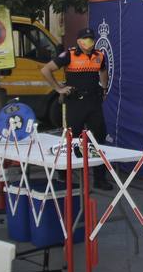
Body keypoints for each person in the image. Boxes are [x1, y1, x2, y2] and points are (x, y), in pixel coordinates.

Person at [41, 26, 109, 186]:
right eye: (85, 39)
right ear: (78, 41)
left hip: (93, 101)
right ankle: (63, 175)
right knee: (71, 138)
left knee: (98, 138)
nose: (89, 42)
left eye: (91, 39)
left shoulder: (99, 55)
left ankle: (100, 178)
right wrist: (58, 88)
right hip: (75, 102)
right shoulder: (69, 55)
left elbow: (103, 71)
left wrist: (104, 88)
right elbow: (46, 70)